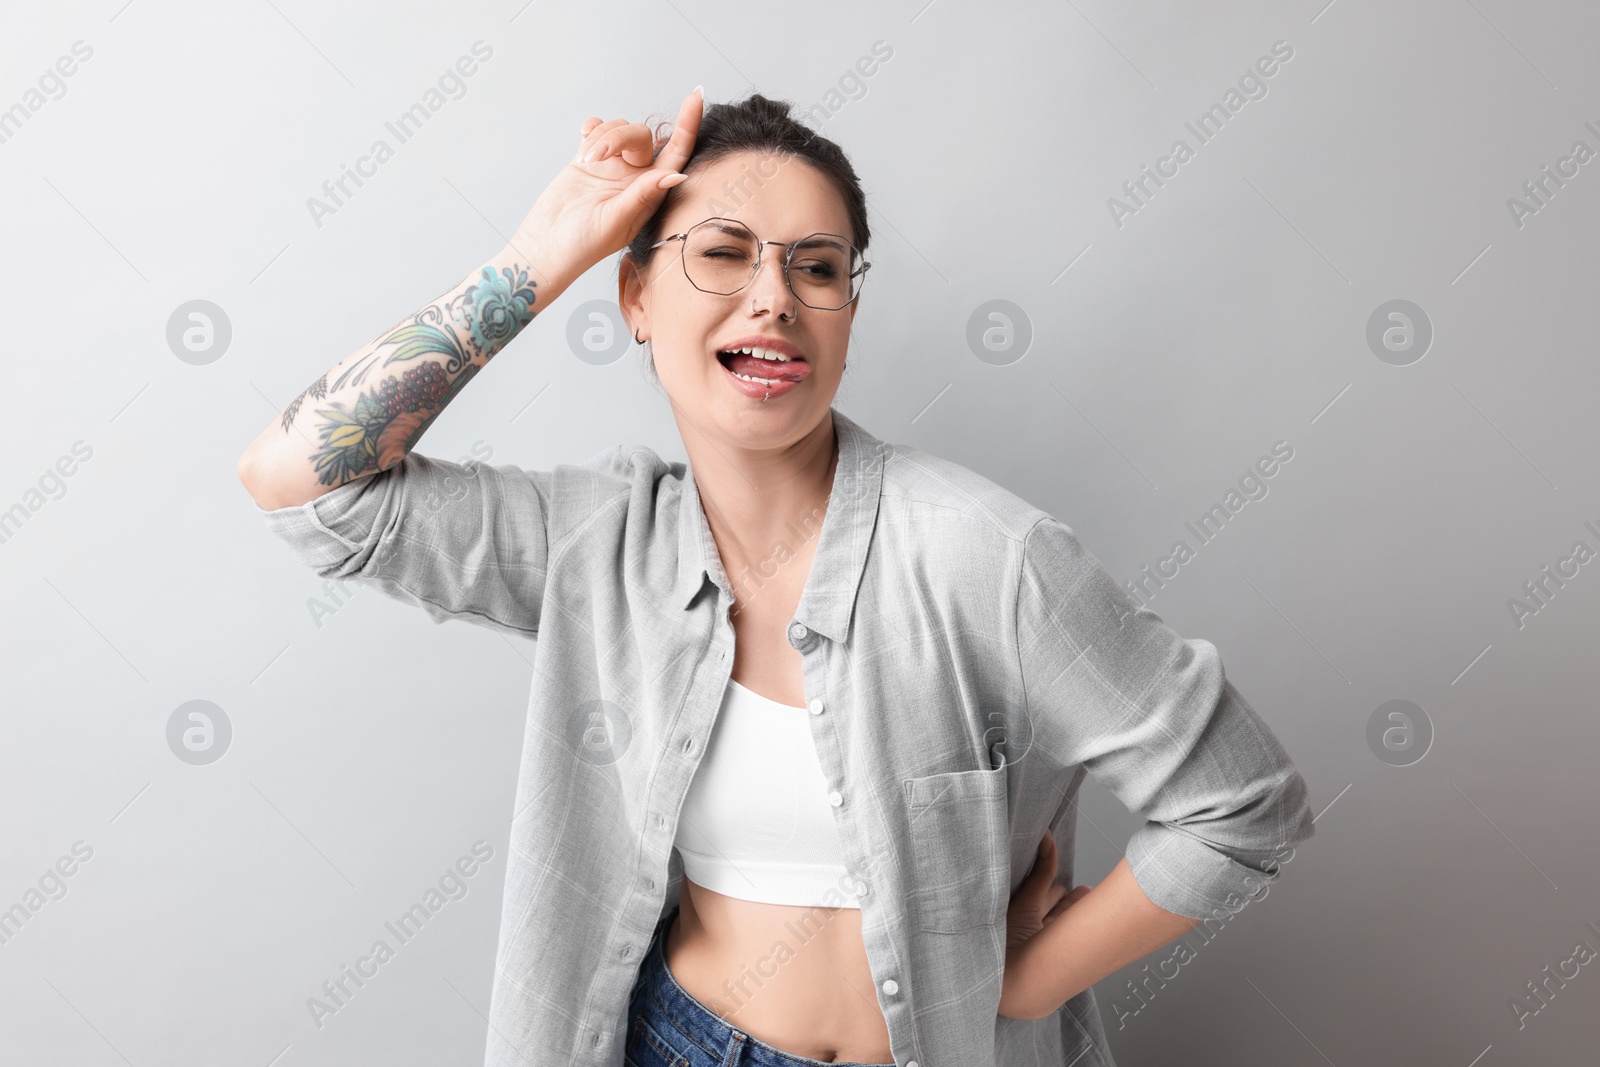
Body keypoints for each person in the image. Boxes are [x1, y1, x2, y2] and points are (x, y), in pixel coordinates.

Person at [238, 87, 1316, 1067]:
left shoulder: (983, 553)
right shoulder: (596, 545)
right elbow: (302, 482)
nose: (774, 298)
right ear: (637, 298)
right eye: (721, 251)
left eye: (815, 264)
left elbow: (1240, 801)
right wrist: (535, 259)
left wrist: (1026, 980)